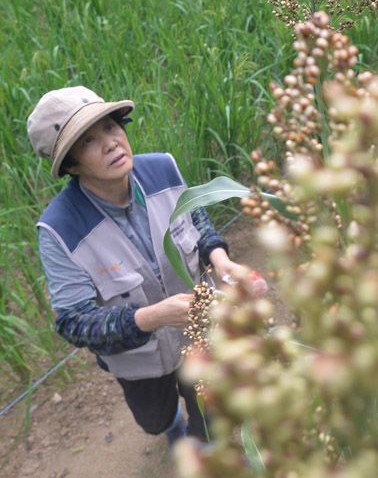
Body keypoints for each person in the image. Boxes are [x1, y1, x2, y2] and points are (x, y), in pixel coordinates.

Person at [27, 86, 267, 447]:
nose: (111, 143)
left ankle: (202, 447)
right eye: (90, 141)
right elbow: (73, 322)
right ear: (71, 165)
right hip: (139, 360)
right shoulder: (59, 229)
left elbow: (195, 220)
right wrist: (152, 317)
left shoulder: (162, 170)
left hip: (199, 334)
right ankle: (168, 425)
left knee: (209, 410)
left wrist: (220, 260)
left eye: (111, 127)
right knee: (154, 420)